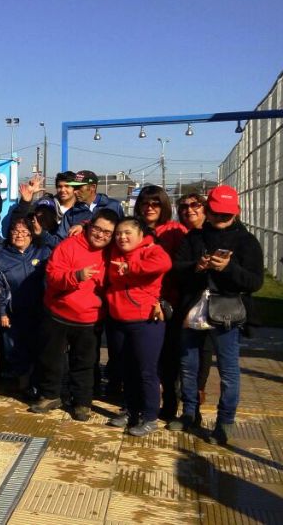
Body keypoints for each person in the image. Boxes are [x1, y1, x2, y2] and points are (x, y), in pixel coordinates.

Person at [169, 185, 263, 445]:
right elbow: (176, 270)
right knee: (188, 365)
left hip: (227, 313)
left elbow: (255, 282)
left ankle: (225, 422)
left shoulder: (246, 241)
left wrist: (228, 268)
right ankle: (189, 413)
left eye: (226, 215)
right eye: (216, 213)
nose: (220, 219)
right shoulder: (194, 238)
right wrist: (196, 267)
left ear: (237, 212)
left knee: (228, 369)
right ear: (207, 211)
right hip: (192, 309)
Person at [30, 209, 119, 421]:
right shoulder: (69, 245)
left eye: (107, 232)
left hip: (90, 318)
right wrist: (76, 276)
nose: (100, 235)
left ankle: (82, 403)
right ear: (89, 227)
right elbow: (53, 275)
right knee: (50, 359)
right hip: (58, 312)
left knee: (85, 363)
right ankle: (50, 395)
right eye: (97, 229)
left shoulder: (114, 251)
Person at [104, 217, 172, 437]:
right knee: (126, 370)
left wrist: (131, 267)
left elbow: (164, 264)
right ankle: (131, 410)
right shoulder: (114, 250)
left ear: (141, 234)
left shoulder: (152, 250)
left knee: (146, 371)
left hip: (145, 322)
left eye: (127, 233)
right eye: (118, 233)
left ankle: (150, 416)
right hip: (118, 319)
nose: (122, 237)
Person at [133, 185, 188, 421]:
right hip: (139, 302)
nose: (149, 208)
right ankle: (140, 400)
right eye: (145, 203)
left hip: (169, 301)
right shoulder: (134, 230)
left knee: (168, 356)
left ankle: (171, 402)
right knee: (142, 357)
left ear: (164, 206)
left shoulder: (175, 231)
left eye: (155, 203)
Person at [0, 216, 51, 389]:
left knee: (41, 349)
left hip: (41, 311)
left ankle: (40, 386)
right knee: (16, 351)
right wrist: (2, 311)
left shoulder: (43, 251)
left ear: (32, 235)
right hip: (14, 312)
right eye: (15, 231)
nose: (20, 235)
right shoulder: (1, 257)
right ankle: (24, 385)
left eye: (24, 232)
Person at [176, 192, 213, 415]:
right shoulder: (187, 238)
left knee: (205, 352)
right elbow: (178, 267)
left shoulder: (217, 233)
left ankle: (198, 394)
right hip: (188, 302)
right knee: (188, 356)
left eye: (195, 205)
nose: (189, 210)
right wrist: (195, 267)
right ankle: (189, 405)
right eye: (184, 207)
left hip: (215, 303)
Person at [56, 170, 124, 240]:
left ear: (93, 187)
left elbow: (123, 230)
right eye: (74, 188)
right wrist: (45, 235)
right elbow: (60, 240)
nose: (75, 191)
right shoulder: (70, 213)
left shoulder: (114, 206)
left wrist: (84, 226)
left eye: (79, 187)